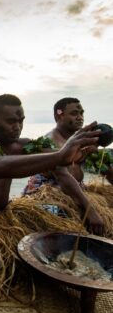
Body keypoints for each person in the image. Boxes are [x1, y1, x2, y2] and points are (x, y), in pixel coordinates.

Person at [0, 94, 101, 302]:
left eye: (21, 120)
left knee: (42, 252)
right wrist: (60, 155)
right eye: (11, 121)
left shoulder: (23, 145)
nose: (18, 126)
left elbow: (60, 167)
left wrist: (76, 158)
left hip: (3, 215)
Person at [24, 97, 112, 236]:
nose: (80, 117)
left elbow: (104, 167)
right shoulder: (49, 141)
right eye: (74, 113)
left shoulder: (82, 140)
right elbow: (63, 177)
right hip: (49, 199)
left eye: (81, 113)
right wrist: (91, 211)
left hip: (74, 195)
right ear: (58, 116)